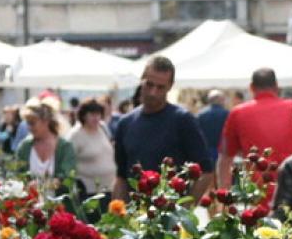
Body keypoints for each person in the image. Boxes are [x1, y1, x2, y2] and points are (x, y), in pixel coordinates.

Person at [113, 55, 213, 202]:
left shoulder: (183, 120)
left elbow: (206, 172)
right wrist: (117, 213)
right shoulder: (125, 123)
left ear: (170, 86)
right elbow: (121, 177)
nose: (153, 92)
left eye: (160, 87)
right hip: (134, 215)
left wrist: (184, 209)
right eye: (149, 84)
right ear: (141, 79)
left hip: (169, 213)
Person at [216, 68, 292, 192]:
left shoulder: (238, 113)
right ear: (277, 86)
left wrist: (223, 190)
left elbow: (225, 158)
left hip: (257, 194)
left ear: (251, 87)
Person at [16, 98, 77, 184]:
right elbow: (18, 175)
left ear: (46, 121)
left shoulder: (65, 147)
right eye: (28, 124)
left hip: (59, 197)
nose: (29, 128)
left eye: (32, 123)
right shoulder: (24, 147)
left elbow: (68, 176)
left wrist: (45, 185)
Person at [66, 98, 116, 200]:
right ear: (83, 115)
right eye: (92, 114)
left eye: (98, 114)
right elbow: (67, 162)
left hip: (109, 188)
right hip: (88, 192)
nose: (96, 118)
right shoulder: (75, 135)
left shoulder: (102, 128)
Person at [196, 89, 228, 165]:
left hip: (205, 152)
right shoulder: (227, 114)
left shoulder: (200, 114)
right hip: (223, 152)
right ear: (220, 100)